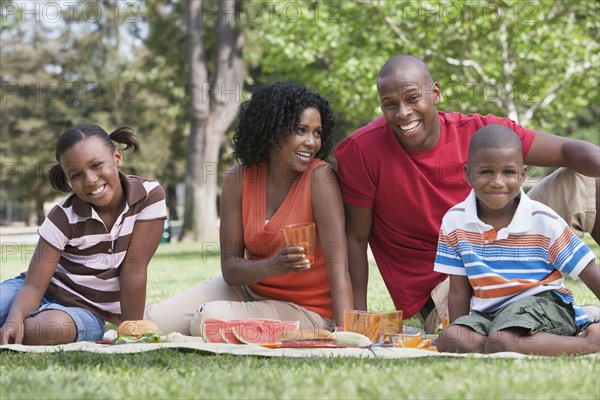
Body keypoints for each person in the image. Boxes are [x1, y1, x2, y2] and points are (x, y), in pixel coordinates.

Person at [334, 54, 600, 332]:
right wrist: (358, 320)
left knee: (585, 181)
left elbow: (568, 151)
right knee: (489, 332)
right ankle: (578, 318)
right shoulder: (362, 151)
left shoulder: (480, 133)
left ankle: (572, 315)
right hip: (448, 284)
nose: (403, 112)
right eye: (390, 105)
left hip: (513, 242)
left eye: (413, 98)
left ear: (434, 93)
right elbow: (355, 238)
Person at [145, 82, 353, 336]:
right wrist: (272, 266)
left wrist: (344, 332)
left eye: (317, 133)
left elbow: (338, 266)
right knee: (152, 321)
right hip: (249, 290)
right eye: (301, 130)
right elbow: (231, 270)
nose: (312, 142)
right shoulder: (239, 178)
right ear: (273, 130)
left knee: (209, 318)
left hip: (307, 310)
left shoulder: (320, 179)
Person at [434, 124, 599, 355]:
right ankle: (499, 345)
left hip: (545, 304)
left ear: (522, 175)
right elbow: (459, 291)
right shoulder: (454, 221)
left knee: (503, 338)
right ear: (468, 174)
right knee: (450, 337)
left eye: (508, 172)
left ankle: (590, 343)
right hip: (489, 313)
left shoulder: (543, 219)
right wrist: (462, 331)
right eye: (486, 172)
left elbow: (588, 270)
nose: (498, 181)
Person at [0, 124, 167, 345]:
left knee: (49, 330)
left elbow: (134, 269)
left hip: (87, 312)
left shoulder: (148, 196)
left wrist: (131, 333)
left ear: (117, 157)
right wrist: (14, 318)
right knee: (10, 318)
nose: (89, 179)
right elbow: (33, 285)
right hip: (35, 291)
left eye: (97, 165)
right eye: (76, 175)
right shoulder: (62, 216)